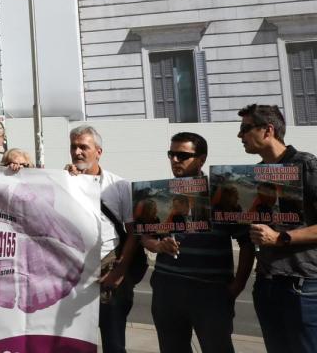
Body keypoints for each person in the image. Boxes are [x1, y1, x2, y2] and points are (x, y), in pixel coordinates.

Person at [137, 131, 253, 353]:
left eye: (182, 155)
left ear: (202, 159)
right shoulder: (161, 193)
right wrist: (158, 246)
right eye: (171, 154)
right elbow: (146, 235)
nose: (175, 160)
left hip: (211, 292)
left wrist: (236, 287)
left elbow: (246, 243)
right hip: (166, 288)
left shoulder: (221, 196)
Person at [236, 104, 317, 352]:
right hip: (266, 284)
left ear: (268, 130)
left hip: (302, 285)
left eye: (245, 129)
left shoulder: (306, 165)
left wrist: (280, 237)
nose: (240, 136)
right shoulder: (254, 174)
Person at [66, 125, 140, 353]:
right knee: (74, 341)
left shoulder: (120, 186)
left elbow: (134, 232)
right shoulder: (64, 181)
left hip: (109, 269)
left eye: (83, 147)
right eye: (73, 147)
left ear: (98, 152)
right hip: (73, 272)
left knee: (113, 340)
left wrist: (119, 271)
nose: (77, 152)